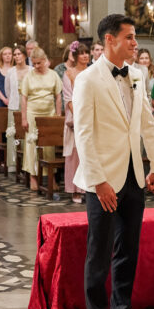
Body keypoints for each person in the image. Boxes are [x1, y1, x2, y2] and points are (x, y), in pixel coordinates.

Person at [72, 14, 154, 309]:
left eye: (134, 37)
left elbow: (146, 124)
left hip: (134, 177)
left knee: (127, 252)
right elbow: (83, 134)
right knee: (99, 256)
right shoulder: (88, 79)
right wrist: (98, 181)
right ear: (109, 40)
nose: (134, 43)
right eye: (129, 37)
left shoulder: (138, 75)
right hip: (104, 181)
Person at [20, 47, 62, 191]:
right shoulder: (28, 76)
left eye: (39, 63)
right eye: (34, 63)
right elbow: (24, 98)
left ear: (45, 60)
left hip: (49, 113)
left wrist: (57, 115)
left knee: (49, 147)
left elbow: (58, 96)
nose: (36, 66)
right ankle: (33, 177)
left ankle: (51, 178)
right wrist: (24, 118)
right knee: (32, 144)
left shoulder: (54, 75)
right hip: (33, 113)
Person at [62, 42, 90, 203]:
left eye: (87, 53)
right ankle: (74, 191)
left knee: (88, 153)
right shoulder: (69, 73)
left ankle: (87, 187)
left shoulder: (92, 72)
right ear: (75, 56)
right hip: (75, 118)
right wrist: (80, 116)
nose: (85, 55)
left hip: (90, 116)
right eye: (82, 53)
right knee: (74, 155)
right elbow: (68, 98)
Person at [6, 44, 30, 170]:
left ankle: (27, 162)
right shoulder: (10, 72)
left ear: (24, 55)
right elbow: (8, 90)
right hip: (14, 105)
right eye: (14, 54)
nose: (16, 56)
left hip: (28, 106)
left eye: (19, 54)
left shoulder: (31, 70)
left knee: (27, 134)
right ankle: (13, 163)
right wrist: (14, 100)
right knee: (13, 134)